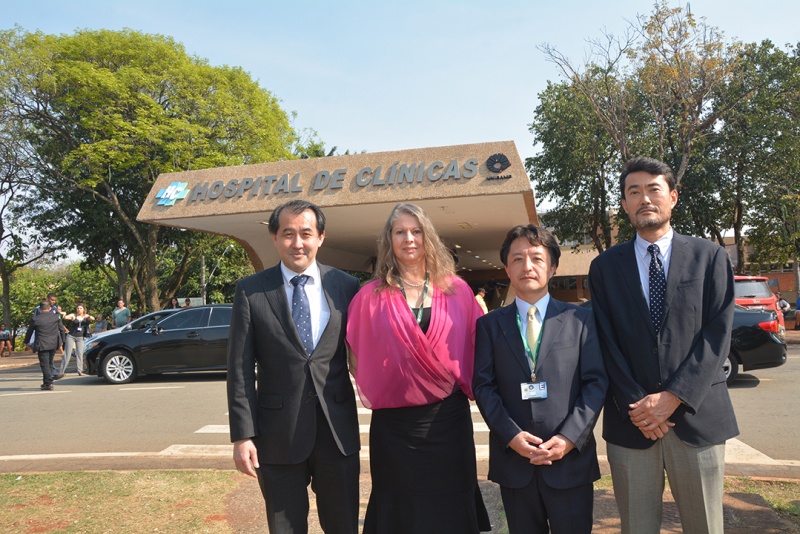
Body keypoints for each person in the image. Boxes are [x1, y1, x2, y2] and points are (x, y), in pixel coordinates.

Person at [588, 157, 738, 533]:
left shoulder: (710, 256)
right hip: (632, 422)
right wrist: (639, 406)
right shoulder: (605, 267)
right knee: (636, 527)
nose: (645, 199)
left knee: (706, 525)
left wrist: (674, 396)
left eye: (654, 189)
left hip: (695, 417)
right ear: (624, 205)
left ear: (672, 197)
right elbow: (605, 340)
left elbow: (717, 333)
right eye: (633, 192)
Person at [347, 203, 491, 533]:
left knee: (450, 507)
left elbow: (476, 347)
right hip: (395, 429)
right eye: (400, 232)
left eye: (416, 231)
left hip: (448, 422)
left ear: (428, 237)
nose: (409, 238)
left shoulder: (457, 290)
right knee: (400, 509)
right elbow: (355, 355)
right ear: (388, 240)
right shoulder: (369, 296)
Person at [227, 199, 361, 534]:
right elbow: (240, 368)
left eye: (306, 233)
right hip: (277, 435)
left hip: (337, 432)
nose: (297, 243)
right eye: (288, 234)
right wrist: (243, 435)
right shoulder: (251, 290)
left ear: (321, 237)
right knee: (285, 527)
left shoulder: (346, 286)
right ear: (274, 237)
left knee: (343, 525)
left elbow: (363, 352)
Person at [473, 224, 608, 533]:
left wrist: (569, 438)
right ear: (507, 268)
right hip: (515, 464)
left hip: (569, 462)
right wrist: (511, 436)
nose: (527, 266)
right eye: (517, 259)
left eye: (536, 257)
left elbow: (595, 382)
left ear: (553, 266)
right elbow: (484, 386)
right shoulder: (489, 326)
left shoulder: (580, 320)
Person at [24, 299, 66, 390]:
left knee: (44, 364)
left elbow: (29, 331)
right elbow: (62, 329)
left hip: (42, 344)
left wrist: (26, 342)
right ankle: (47, 381)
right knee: (50, 362)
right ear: (49, 308)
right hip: (53, 343)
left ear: (39, 309)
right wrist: (62, 340)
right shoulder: (55, 317)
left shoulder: (35, 319)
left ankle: (48, 383)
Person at [59, 304, 95, 377]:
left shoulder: (85, 316)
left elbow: (93, 318)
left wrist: (88, 316)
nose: (79, 309)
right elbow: (66, 318)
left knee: (79, 354)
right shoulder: (73, 315)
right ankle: (61, 371)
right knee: (67, 354)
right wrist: (64, 314)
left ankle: (80, 371)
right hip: (71, 336)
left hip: (80, 337)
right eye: (78, 308)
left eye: (80, 308)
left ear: (84, 309)